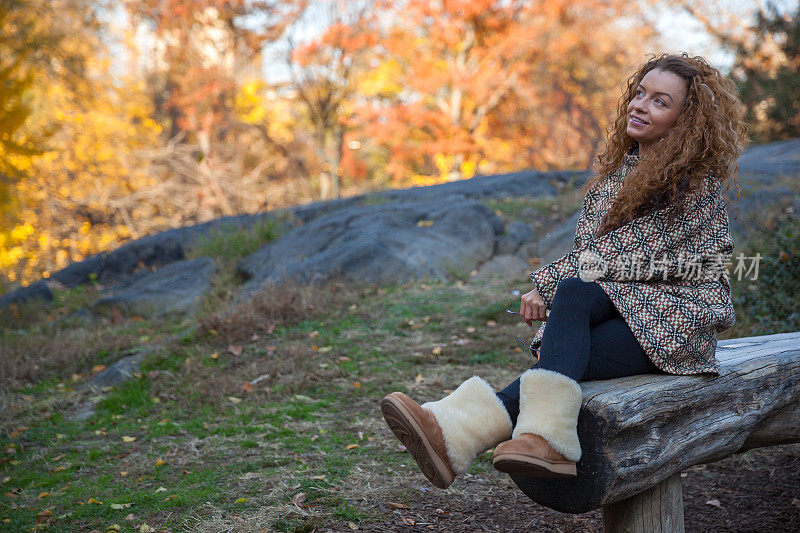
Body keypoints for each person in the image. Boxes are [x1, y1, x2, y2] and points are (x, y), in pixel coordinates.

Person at [380, 52, 748, 490]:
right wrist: (561, 289)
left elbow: (618, 254)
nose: (640, 104)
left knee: (570, 305)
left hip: (681, 322)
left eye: (660, 101)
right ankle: (489, 438)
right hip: (628, 316)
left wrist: (547, 286)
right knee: (570, 339)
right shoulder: (616, 178)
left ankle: (463, 431)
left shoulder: (691, 186)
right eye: (640, 93)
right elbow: (591, 258)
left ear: (685, 121)